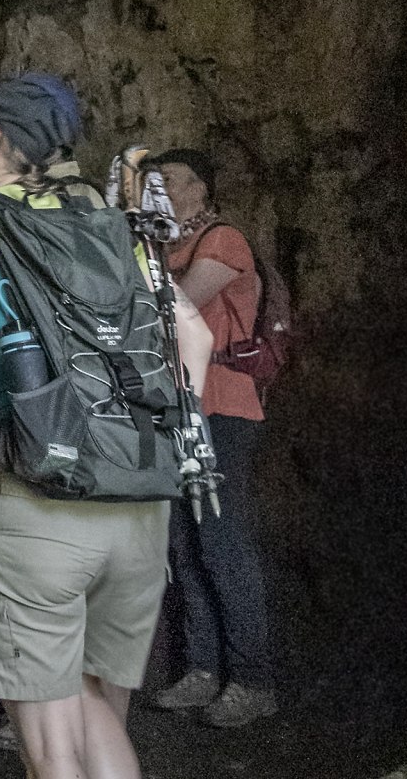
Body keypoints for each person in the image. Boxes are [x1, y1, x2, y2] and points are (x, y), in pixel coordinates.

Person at [0, 75, 212, 779]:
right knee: (93, 707)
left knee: (50, 749)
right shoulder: (108, 223)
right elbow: (191, 339)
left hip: (30, 497)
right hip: (136, 499)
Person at [143, 149, 277, 728]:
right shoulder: (163, 250)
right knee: (183, 544)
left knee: (222, 542)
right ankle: (202, 669)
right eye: (153, 185)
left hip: (221, 406)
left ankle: (252, 679)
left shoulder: (224, 242)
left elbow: (172, 311)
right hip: (175, 409)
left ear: (201, 187)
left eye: (169, 182)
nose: (160, 192)